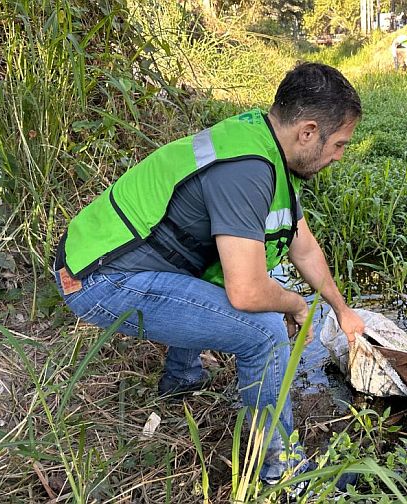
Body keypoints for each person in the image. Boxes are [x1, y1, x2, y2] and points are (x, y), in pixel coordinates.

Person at [52, 62, 366, 486]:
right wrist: (295, 304)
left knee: (222, 276)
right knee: (264, 330)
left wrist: (341, 310)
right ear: (308, 131)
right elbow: (247, 291)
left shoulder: (264, 143)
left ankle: (181, 380)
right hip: (100, 278)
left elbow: (302, 245)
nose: (340, 156)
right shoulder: (247, 169)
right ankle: (283, 473)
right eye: (340, 144)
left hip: (116, 260)